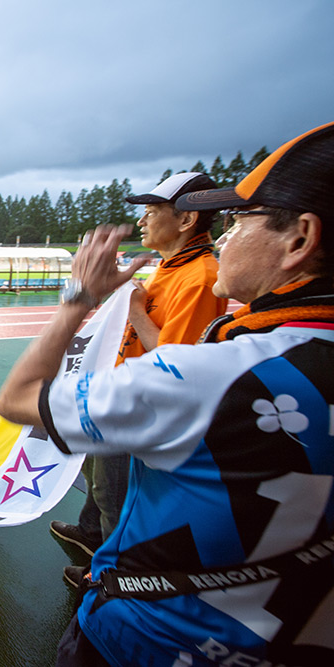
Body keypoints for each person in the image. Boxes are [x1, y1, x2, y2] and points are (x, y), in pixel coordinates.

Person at [0, 121, 334, 666]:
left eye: (240, 220)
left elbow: (18, 397)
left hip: (145, 638)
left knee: (115, 499)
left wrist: (80, 297)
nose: (224, 238)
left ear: (299, 239)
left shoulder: (210, 367)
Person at [51, 172, 228, 588]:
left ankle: (113, 577)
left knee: (115, 494)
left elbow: (177, 362)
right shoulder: (172, 266)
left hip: (143, 407)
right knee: (97, 475)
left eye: (151, 211)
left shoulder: (200, 277)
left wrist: (134, 311)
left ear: (186, 220)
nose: (143, 220)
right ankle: (91, 533)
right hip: (124, 390)